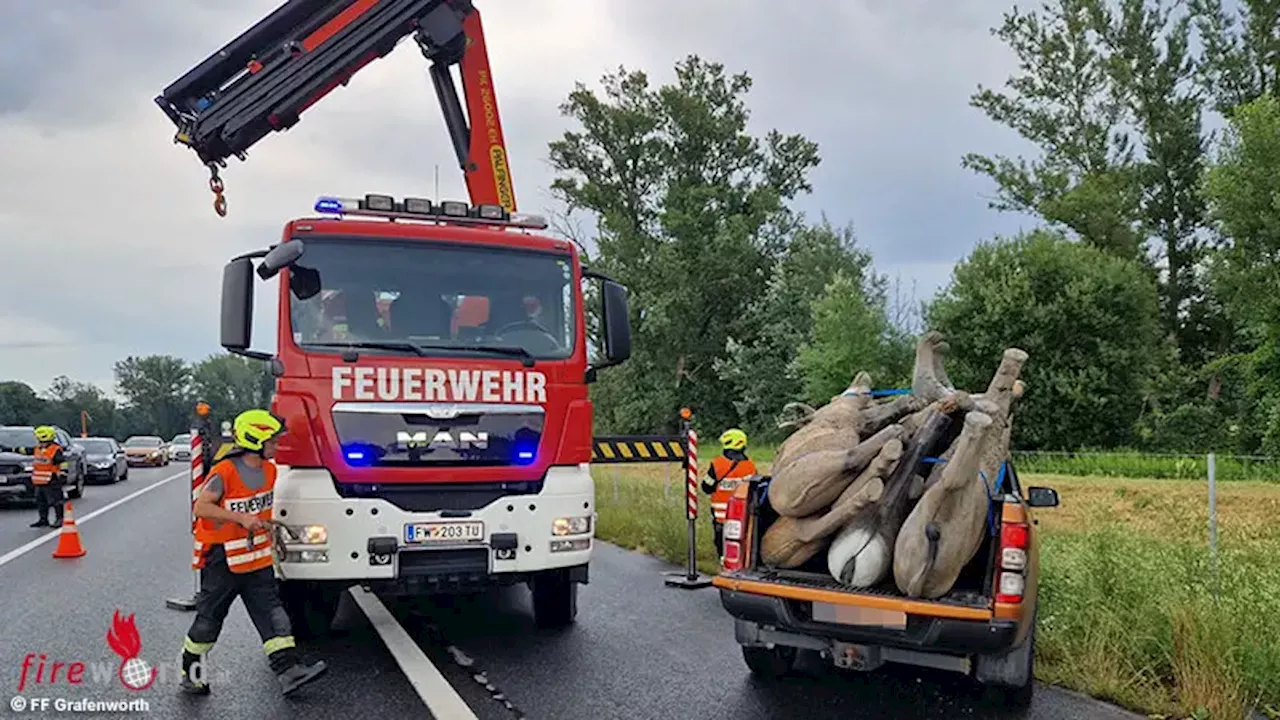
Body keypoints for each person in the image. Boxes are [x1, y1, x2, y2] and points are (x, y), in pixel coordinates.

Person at [179, 409, 327, 697]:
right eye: (272, 441)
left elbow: (256, 507)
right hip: (222, 562)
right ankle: (190, 673)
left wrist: (266, 524)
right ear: (255, 440)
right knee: (209, 621)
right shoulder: (224, 471)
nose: (276, 446)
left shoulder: (270, 470)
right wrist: (242, 520)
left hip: (256, 559)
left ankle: (289, 671)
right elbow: (202, 508)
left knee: (274, 615)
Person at [701, 428, 758, 556]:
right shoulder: (750, 466)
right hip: (743, 515)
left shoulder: (717, 464)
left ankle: (723, 562)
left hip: (721, 517)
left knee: (721, 544)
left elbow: (706, 487)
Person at [29, 425, 67, 528]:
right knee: (41, 501)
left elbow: (62, 462)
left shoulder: (55, 449)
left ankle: (59, 519)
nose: (39, 441)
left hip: (52, 479)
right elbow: (26, 451)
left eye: (40, 439)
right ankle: (43, 520)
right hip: (39, 480)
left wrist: (63, 473)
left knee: (56, 500)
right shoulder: (38, 448)